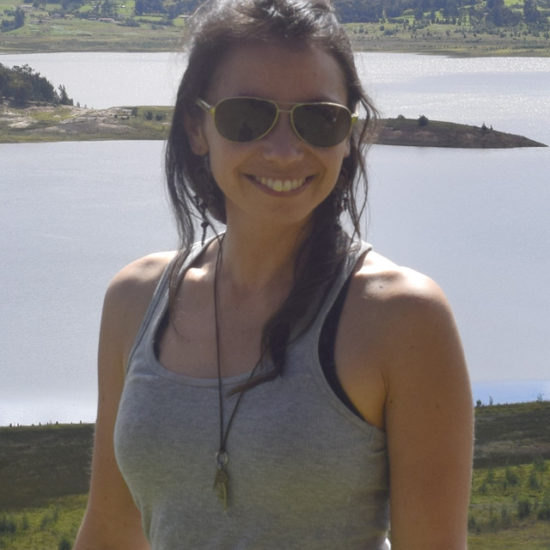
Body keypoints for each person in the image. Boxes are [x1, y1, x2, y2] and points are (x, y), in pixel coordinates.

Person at [73, 0, 473, 548]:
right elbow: (109, 532)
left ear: (348, 135)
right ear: (196, 126)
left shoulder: (402, 319)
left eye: (320, 119)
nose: (285, 152)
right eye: (247, 117)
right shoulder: (136, 300)